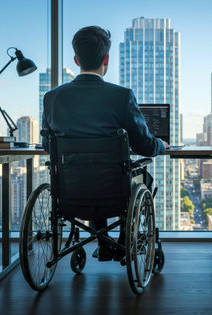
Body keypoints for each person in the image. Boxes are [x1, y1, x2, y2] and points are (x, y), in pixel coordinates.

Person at [42, 26, 169, 261]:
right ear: (106, 59)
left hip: (70, 193)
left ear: (76, 59)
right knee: (142, 178)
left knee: (89, 174)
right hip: (113, 194)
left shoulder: (52, 98)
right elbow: (144, 145)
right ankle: (122, 241)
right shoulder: (121, 96)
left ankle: (103, 243)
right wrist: (161, 145)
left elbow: (48, 146)